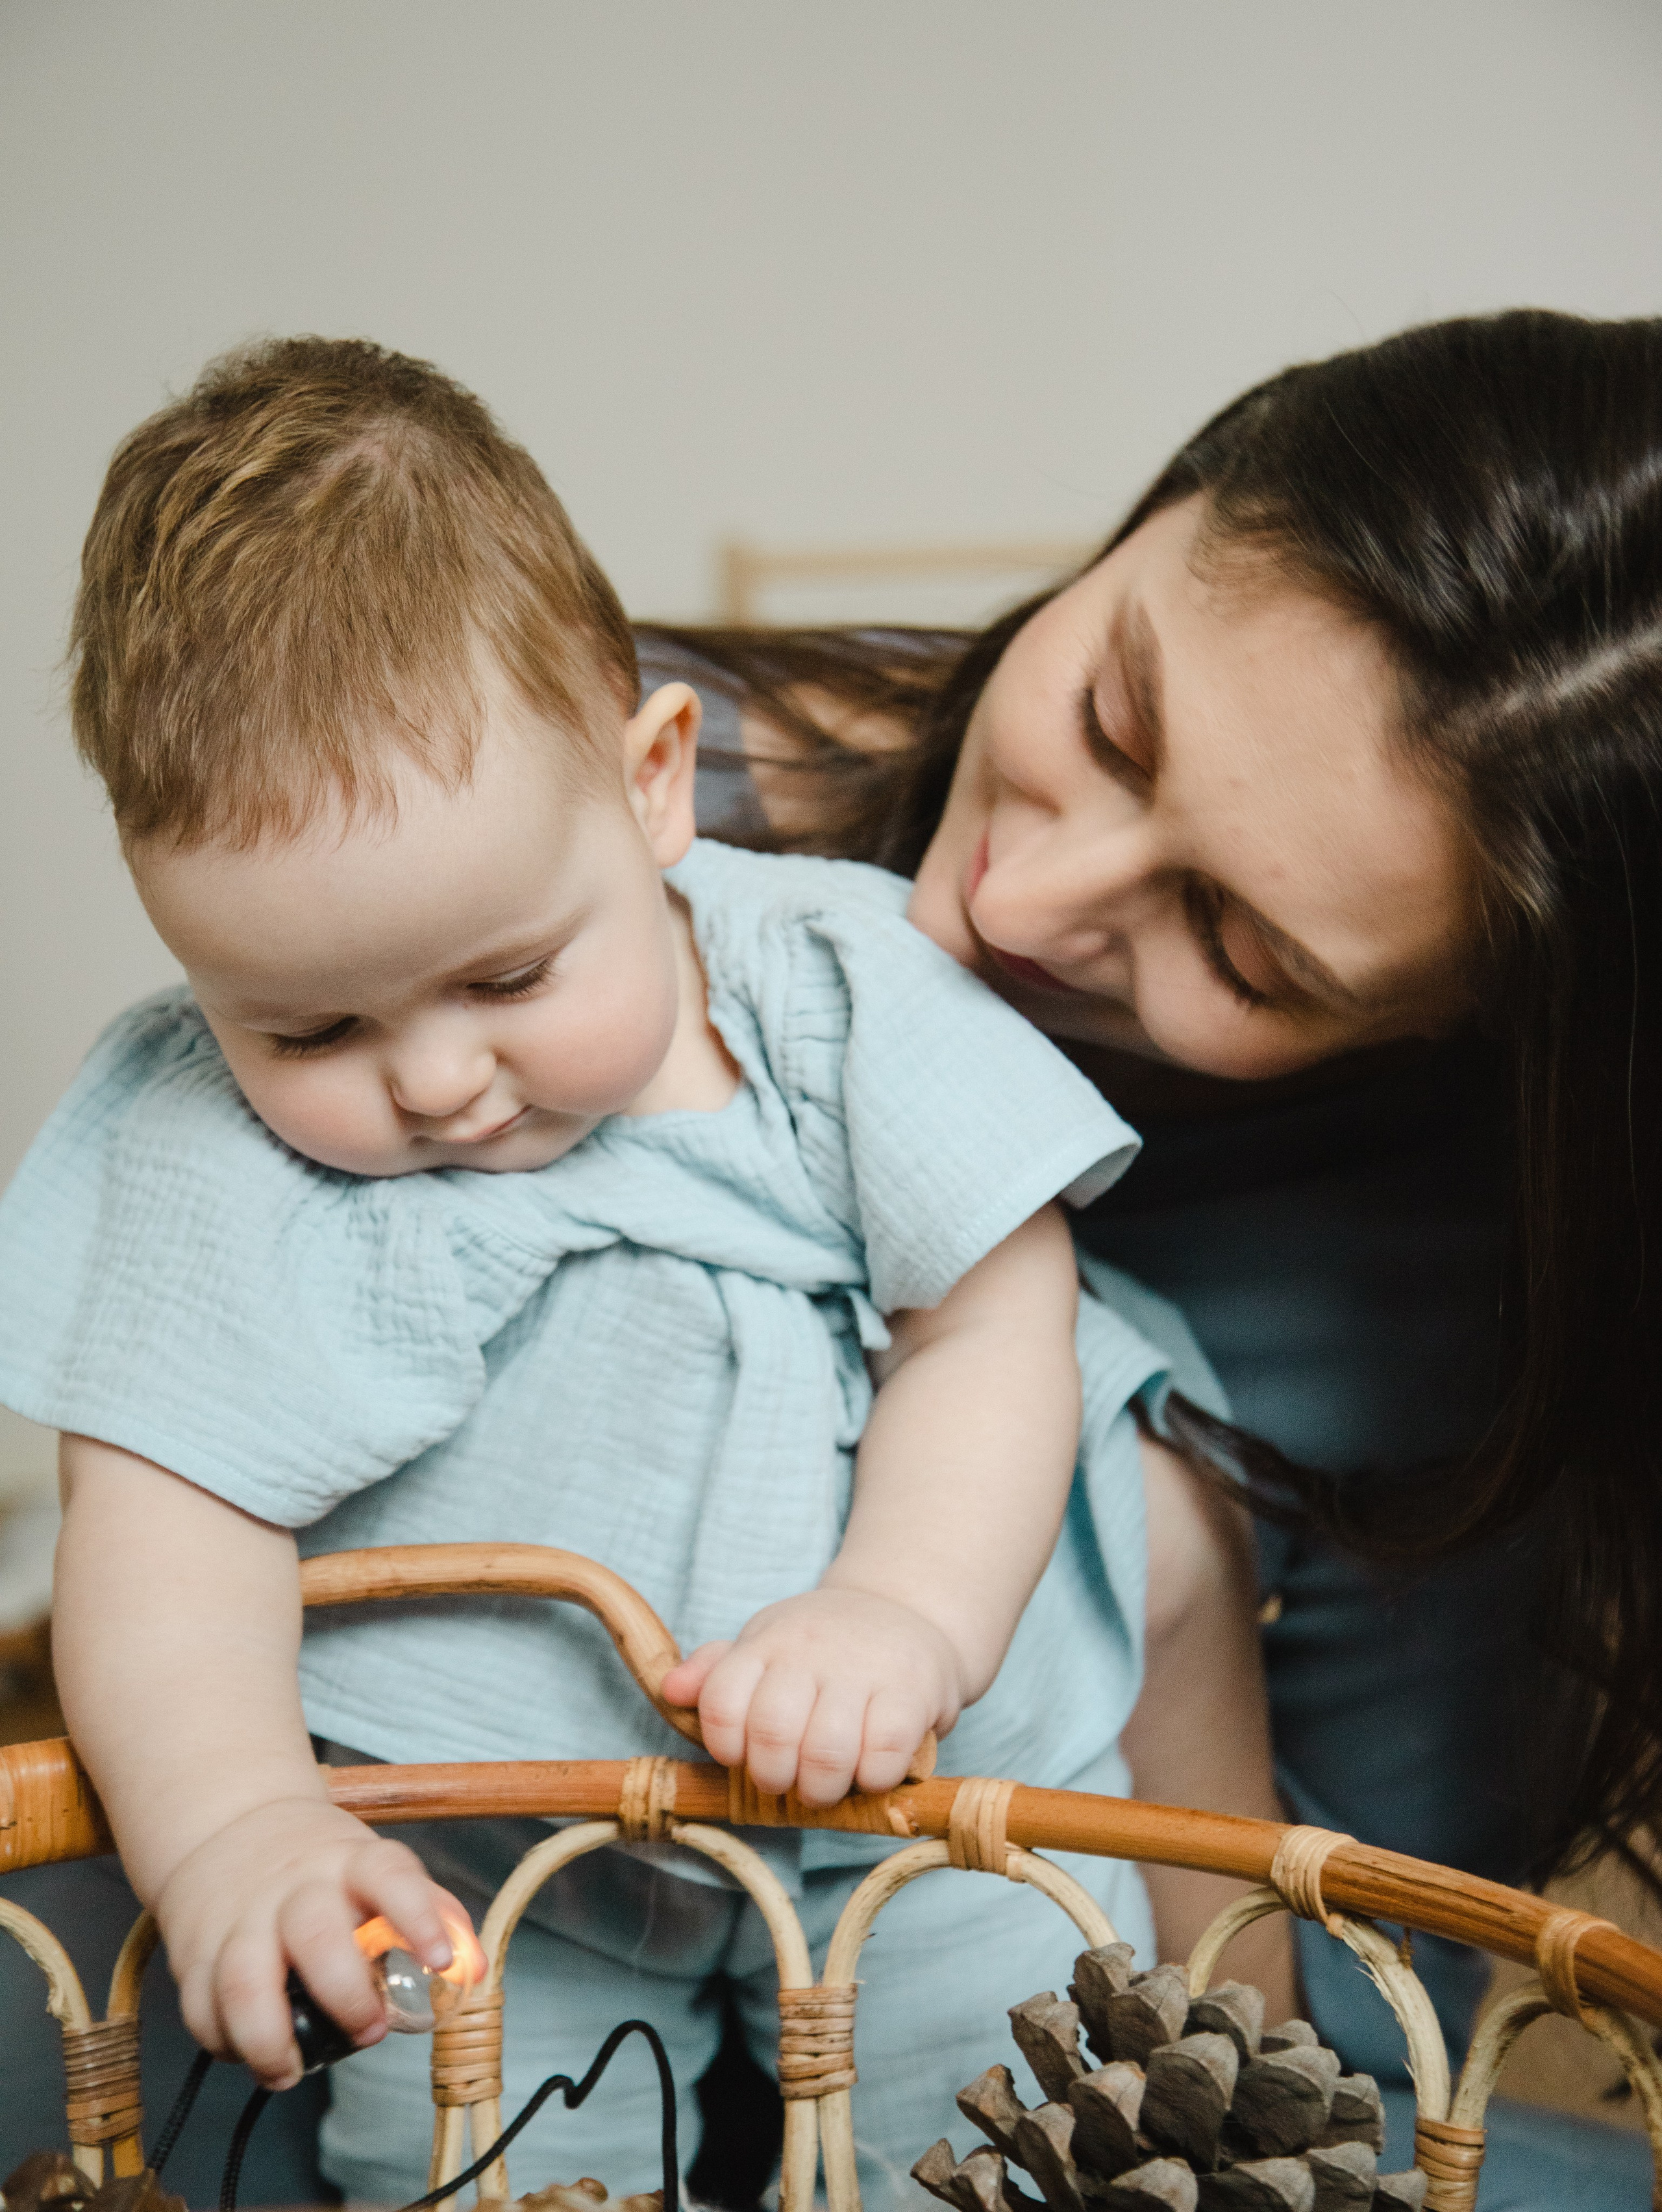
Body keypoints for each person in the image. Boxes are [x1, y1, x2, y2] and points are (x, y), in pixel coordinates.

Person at [0, 338, 1288, 2204]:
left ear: (656, 784)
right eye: (308, 1026)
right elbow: (163, 1529)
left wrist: (898, 1615)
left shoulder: (837, 994)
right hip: (482, 1835)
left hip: (915, 1804)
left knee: (1033, 2127)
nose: (437, 1081)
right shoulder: (214, 1148)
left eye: (512, 978)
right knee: (484, 2163)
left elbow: (997, 1322)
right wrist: (235, 1831)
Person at [627, 305, 1662, 2209]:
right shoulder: (604, 816)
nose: (1018, 897)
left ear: (1448, 1037)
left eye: (1246, 953)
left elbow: (1313, 2023)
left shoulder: (1462, 1275)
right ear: (1179, 493)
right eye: (1109, 716)